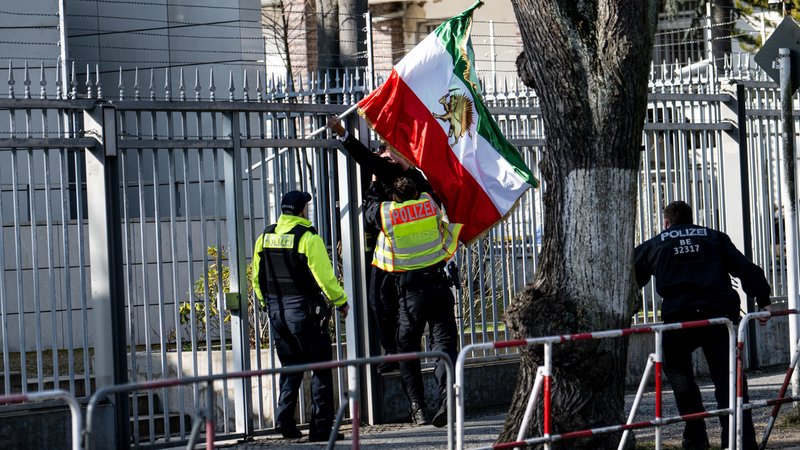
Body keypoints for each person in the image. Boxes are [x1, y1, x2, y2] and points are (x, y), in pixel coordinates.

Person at [633, 200, 774, 450]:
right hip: (719, 318)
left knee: (680, 379)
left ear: (666, 223)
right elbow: (745, 269)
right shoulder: (714, 238)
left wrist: (628, 311)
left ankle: (696, 439)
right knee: (729, 381)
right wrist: (763, 302)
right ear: (692, 220)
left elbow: (630, 279)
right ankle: (739, 441)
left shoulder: (656, 243)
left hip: (679, 321)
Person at [327, 115, 440, 374]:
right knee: (379, 300)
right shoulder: (393, 171)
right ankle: (393, 351)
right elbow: (368, 160)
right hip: (390, 253)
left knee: (399, 305)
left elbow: (369, 168)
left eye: (385, 149)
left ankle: (400, 352)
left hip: (410, 258)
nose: (381, 154)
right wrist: (343, 134)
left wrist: (343, 133)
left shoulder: (411, 176)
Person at [251, 190, 350, 442]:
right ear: (301, 210)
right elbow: (324, 276)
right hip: (304, 312)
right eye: (307, 206)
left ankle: (285, 422)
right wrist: (340, 301)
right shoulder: (307, 237)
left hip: (276, 312)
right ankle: (321, 429)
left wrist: (266, 304)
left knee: (291, 366)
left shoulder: (265, 236)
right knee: (320, 367)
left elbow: (256, 277)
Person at [364, 176, 461, 428]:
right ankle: (447, 395)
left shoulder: (388, 214)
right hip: (440, 287)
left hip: (411, 295)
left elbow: (369, 209)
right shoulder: (429, 204)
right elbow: (431, 187)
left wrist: (375, 183)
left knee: (407, 349)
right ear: (417, 193)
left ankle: (418, 408)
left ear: (394, 197)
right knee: (444, 345)